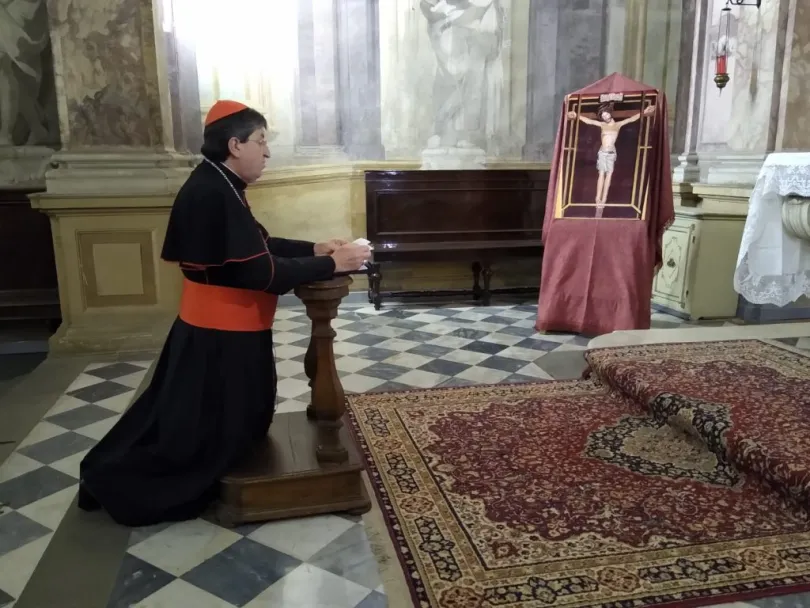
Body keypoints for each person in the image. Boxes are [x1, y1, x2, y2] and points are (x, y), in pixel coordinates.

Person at [78, 100, 371, 527]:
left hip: (220, 332)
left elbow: (258, 246)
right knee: (192, 436)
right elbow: (259, 272)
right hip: (220, 340)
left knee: (194, 423)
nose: (267, 152)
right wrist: (332, 264)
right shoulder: (213, 192)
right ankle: (126, 484)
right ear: (235, 145)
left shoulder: (219, 184)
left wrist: (315, 249)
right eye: (261, 141)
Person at [567, 102, 655, 209]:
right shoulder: (602, 125)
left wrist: (644, 112)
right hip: (603, 152)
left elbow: (631, 119)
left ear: (609, 113)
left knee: (609, 175)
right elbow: (590, 121)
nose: (605, 117)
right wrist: (577, 115)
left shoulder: (618, 125)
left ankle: (604, 199)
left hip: (611, 153)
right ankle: (597, 198)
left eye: (606, 114)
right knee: (601, 174)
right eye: (603, 116)